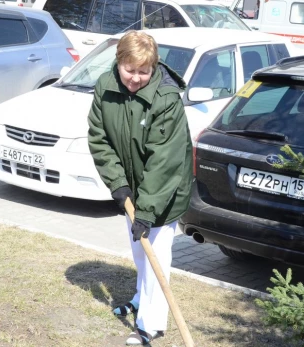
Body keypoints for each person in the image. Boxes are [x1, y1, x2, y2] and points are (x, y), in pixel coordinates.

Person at [87, 30, 193, 346]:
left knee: (155, 256)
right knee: (139, 253)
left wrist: (146, 212)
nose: (135, 78)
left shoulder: (166, 99)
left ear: (154, 67)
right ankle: (139, 298)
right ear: (119, 63)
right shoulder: (105, 88)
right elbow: (99, 138)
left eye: (143, 71)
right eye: (129, 70)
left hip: (165, 192)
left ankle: (150, 325)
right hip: (131, 190)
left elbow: (165, 162)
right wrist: (118, 184)